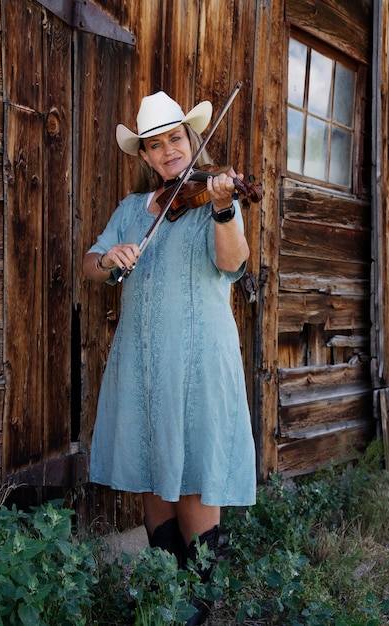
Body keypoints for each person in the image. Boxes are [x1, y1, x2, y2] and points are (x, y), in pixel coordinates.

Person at [83, 91, 256, 625]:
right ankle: (165, 586)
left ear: (191, 139)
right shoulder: (133, 211)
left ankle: (199, 604)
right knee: (153, 464)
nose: (167, 152)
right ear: (145, 156)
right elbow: (92, 264)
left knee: (197, 467)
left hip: (201, 361)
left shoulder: (212, 200)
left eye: (175, 139)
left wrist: (226, 207)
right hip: (143, 362)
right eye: (155, 145)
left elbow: (234, 262)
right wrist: (108, 259)